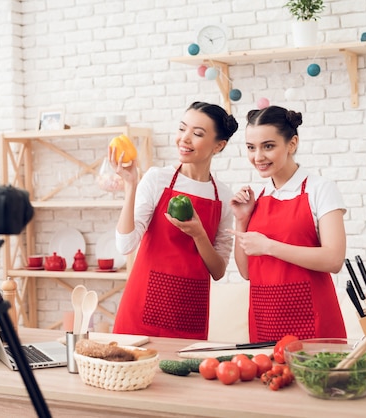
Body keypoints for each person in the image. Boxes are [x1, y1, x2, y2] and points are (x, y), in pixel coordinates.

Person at [111, 101, 238, 339]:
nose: (184, 139)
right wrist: (131, 185)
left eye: (197, 134)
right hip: (142, 309)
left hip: (189, 314)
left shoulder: (223, 196)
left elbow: (218, 270)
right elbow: (125, 245)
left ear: (219, 146)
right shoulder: (157, 179)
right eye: (182, 129)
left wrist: (199, 234)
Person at [229, 105, 347, 343]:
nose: (258, 157)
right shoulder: (258, 198)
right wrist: (241, 220)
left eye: (268, 146)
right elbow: (247, 272)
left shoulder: (320, 189)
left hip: (312, 324)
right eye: (251, 148)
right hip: (265, 323)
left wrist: (269, 247)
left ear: (292, 144)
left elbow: (334, 260)